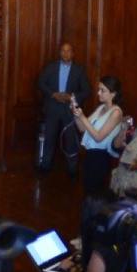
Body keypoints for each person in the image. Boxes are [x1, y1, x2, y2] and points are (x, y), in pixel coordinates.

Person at [36, 42, 90, 175]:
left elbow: (86, 91)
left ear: (73, 53)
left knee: (70, 139)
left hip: (69, 109)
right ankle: (45, 166)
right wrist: (53, 94)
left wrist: (71, 96)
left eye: (69, 51)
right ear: (60, 53)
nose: (66, 53)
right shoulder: (51, 67)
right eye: (63, 51)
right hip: (52, 107)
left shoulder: (79, 70)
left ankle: (72, 169)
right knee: (49, 137)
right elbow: (41, 83)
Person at [71, 76, 126, 193]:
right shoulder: (101, 108)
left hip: (101, 158)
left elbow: (98, 137)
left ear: (113, 94)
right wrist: (75, 113)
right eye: (98, 89)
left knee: (95, 194)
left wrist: (82, 117)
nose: (98, 93)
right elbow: (82, 128)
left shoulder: (116, 112)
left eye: (102, 90)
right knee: (87, 192)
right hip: (90, 155)